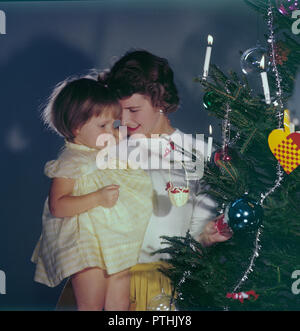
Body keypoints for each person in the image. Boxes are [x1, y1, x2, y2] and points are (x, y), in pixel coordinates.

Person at [105, 49, 232, 310]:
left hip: (168, 284)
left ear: (160, 100)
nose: (125, 120)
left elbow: (201, 226)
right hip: (113, 283)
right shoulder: (111, 152)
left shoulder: (198, 152)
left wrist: (206, 235)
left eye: (133, 109)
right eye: (120, 111)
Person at [31, 76, 153, 311]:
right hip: (85, 242)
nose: (113, 133)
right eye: (103, 126)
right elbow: (58, 205)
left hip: (114, 240)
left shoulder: (107, 156)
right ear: (77, 127)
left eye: (115, 126)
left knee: (120, 303)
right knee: (91, 304)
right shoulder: (71, 161)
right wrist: (96, 198)